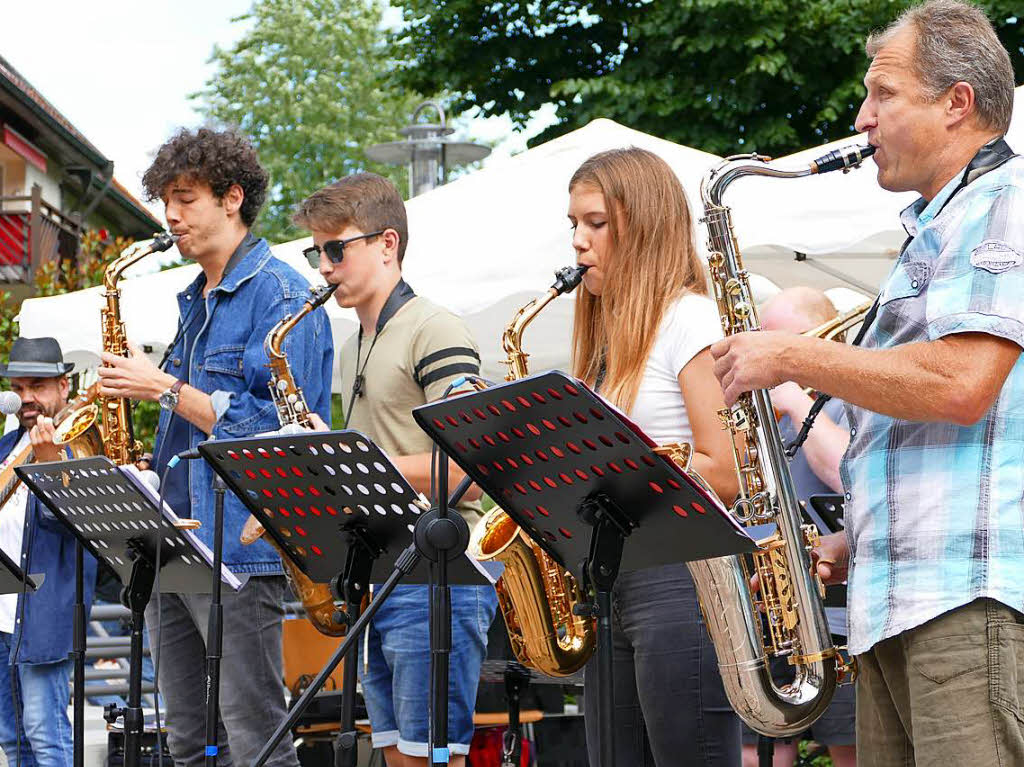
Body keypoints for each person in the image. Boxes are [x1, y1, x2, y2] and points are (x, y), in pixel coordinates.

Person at [710, 2, 1024, 763]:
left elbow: (960, 382)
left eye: (883, 93)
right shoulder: (939, 226)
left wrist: (789, 358)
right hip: (906, 600)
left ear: (958, 103)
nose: (861, 118)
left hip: (964, 600)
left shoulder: (1003, 203)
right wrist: (867, 534)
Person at [97, 127, 333, 767]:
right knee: (188, 742)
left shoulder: (283, 295)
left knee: (257, 739)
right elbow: (194, 428)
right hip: (173, 539)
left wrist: (165, 387)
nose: (170, 216)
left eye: (185, 198)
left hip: (235, 549)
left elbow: (282, 433)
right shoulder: (195, 299)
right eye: (165, 201)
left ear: (232, 198)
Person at [293, 172, 497, 767]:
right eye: (316, 252)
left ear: (387, 244)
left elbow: (470, 463)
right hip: (383, 570)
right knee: (395, 756)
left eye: (337, 249)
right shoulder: (355, 341)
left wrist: (351, 466)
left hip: (437, 572)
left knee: (433, 759)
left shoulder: (434, 328)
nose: (324, 267)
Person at [568, 147, 741, 766]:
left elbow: (725, 469)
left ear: (642, 225)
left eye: (596, 223)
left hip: (681, 579)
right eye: (575, 226)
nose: (580, 242)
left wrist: (622, 473)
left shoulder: (689, 318)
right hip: (616, 578)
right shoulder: (609, 339)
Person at [739, 288, 856, 767]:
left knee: (853, 748)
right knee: (759, 748)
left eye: (778, 343)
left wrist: (793, 399)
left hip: (840, 621)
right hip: (774, 615)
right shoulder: (768, 420)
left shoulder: (845, 404)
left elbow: (845, 472)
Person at [0, 336, 97, 767]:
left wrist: (51, 462)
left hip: (44, 619)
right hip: (1, 618)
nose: (26, 399)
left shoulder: (83, 447)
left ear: (63, 386)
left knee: (46, 734)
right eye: (18, 389)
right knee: (11, 737)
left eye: (37, 386)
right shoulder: (4, 449)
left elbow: (76, 525)